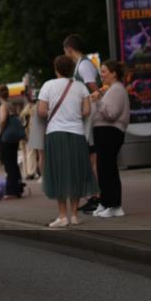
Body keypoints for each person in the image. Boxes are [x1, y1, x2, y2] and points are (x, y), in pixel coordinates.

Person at [39, 55, 98, 227]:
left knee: (59, 173)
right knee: (76, 173)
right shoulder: (80, 87)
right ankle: (74, 215)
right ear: (72, 69)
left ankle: (62, 216)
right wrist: (73, 115)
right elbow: (87, 111)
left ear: (56, 69)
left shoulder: (47, 86)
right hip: (77, 134)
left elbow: (42, 111)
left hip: (55, 134)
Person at [63, 34, 101, 213]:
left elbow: (94, 90)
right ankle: (94, 195)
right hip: (86, 116)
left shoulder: (84, 65)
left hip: (90, 116)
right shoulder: (82, 65)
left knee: (91, 157)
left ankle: (96, 196)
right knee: (88, 157)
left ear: (69, 49)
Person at [89, 60, 130, 217]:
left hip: (110, 132)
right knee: (104, 168)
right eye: (101, 71)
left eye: (104, 71)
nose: (102, 74)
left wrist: (98, 101)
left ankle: (114, 205)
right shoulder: (113, 89)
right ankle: (106, 203)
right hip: (106, 133)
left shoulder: (117, 90)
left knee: (107, 168)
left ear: (114, 73)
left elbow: (111, 114)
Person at [0, 83, 25, 199]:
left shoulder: (3, 106)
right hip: (14, 138)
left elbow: (3, 120)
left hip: (6, 138)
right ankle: (18, 187)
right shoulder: (11, 105)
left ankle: (12, 190)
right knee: (14, 162)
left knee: (9, 164)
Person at [22, 81, 46, 181]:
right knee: (38, 154)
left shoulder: (28, 108)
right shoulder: (36, 107)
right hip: (34, 133)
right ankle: (37, 173)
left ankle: (34, 173)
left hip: (30, 133)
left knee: (33, 154)